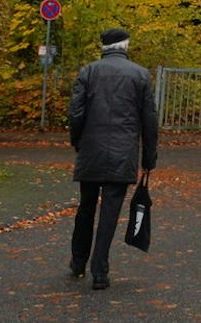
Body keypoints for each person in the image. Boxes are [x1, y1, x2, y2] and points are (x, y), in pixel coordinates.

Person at [68, 27, 159, 290]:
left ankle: (77, 261)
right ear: (126, 46)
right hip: (122, 152)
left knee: (86, 207)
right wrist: (149, 158)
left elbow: (76, 113)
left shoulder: (88, 71)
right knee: (110, 212)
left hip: (91, 150)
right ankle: (100, 271)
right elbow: (149, 120)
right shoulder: (140, 75)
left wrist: (77, 142)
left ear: (104, 46)